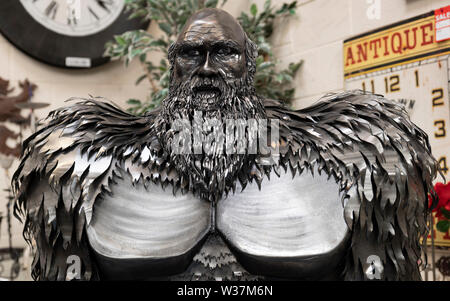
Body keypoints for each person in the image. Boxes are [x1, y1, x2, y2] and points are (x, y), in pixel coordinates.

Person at [13, 8, 438, 280]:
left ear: (250, 65)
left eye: (224, 53)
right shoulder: (78, 161)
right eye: (190, 54)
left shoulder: (357, 154)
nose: (207, 68)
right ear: (172, 67)